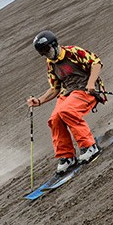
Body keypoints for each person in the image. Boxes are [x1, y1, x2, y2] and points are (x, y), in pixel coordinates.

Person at [26, 30, 104, 174]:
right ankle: (67, 156)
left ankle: (90, 146)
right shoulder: (50, 64)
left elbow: (96, 63)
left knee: (66, 111)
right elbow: (55, 88)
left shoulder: (73, 52)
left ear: (54, 44)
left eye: (47, 49)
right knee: (54, 119)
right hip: (68, 93)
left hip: (85, 89)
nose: (46, 54)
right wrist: (39, 101)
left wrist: (91, 83)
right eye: (42, 52)